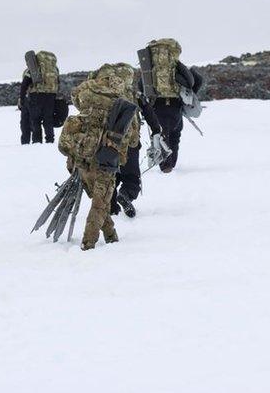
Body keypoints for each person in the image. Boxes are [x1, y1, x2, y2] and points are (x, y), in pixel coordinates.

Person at [63, 62, 136, 250]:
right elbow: (131, 140)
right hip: (105, 159)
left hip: (81, 156)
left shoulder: (86, 93)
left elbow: (75, 98)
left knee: (100, 201)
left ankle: (111, 236)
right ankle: (89, 244)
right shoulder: (121, 106)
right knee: (100, 203)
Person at [110, 79, 163, 217]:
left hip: (107, 142)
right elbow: (148, 111)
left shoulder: (104, 94)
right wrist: (156, 129)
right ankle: (126, 194)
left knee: (110, 175)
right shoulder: (134, 93)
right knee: (131, 176)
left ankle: (111, 207)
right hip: (130, 142)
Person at [142, 38, 186, 173]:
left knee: (161, 135)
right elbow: (193, 80)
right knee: (175, 136)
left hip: (157, 105)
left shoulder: (149, 70)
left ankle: (165, 165)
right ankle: (171, 164)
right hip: (175, 106)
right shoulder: (177, 67)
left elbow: (141, 86)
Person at [19, 50, 60, 144]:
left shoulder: (34, 69)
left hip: (36, 95)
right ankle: (50, 140)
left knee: (35, 119)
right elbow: (58, 83)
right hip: (51, 95)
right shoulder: (54, 68)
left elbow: (24, 84)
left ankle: (37, 142)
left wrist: (21, 98)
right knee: (48, 119)